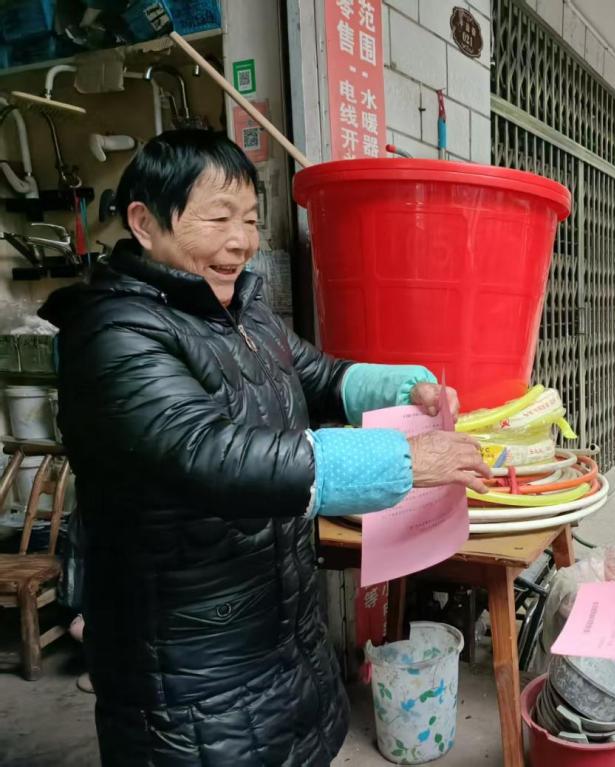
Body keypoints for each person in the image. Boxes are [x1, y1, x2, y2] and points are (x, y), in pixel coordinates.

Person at [39, 130, 492, 766]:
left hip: (281, 630)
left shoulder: (244, 312)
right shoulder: (113, 334)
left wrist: (404, 387)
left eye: (250, 219)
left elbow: (318, 376)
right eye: (218, 218)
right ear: (144, 222)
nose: (242, 241)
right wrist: (403, 461)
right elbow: (209, 454)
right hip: (189, 664)